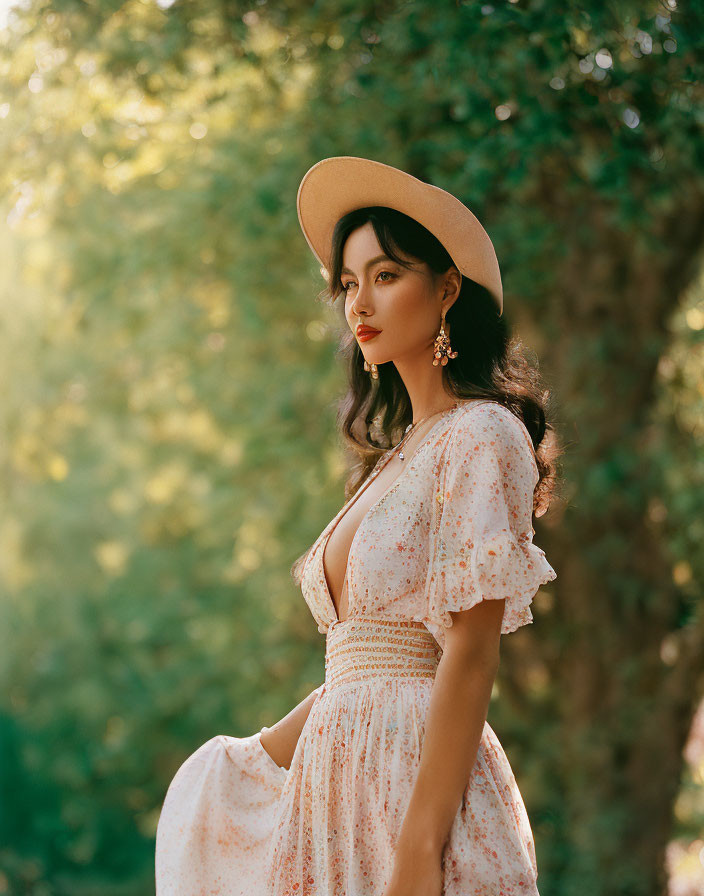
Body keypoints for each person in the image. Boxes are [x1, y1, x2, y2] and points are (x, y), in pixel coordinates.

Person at [154, 156, 559, 896]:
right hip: (335, 791)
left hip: (417, 789)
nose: (358, 302)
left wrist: (419, 848)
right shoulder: (388, 462)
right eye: (347, 282)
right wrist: (255, 757)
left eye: (385, 275)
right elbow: (362, 661)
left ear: (446, 288)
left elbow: (466, 654)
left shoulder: (481, 436)